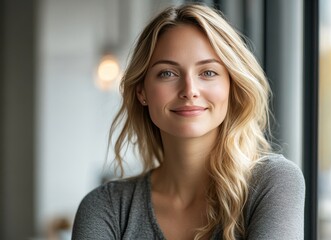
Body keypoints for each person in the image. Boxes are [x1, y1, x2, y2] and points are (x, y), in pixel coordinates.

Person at [72, 3, 305, 240]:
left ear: (231, 86)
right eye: (167, 73)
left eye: (208, 73)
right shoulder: (105, 207)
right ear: (142, 91)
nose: (189, 90)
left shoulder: (273, 184)